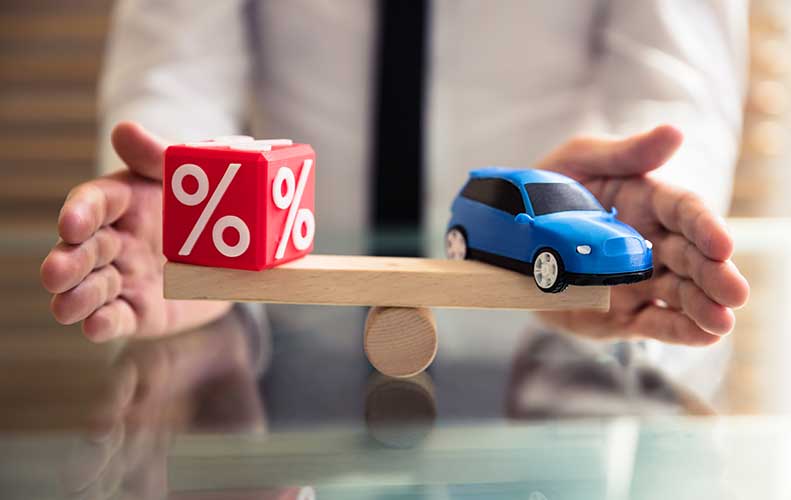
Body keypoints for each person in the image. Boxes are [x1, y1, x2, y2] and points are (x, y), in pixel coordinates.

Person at [40, 2, 749, 366]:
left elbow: (676, 77)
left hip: (555, 367)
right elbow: (176, 65)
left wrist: (647, 194)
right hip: (281, 349)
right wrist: (181, 190)